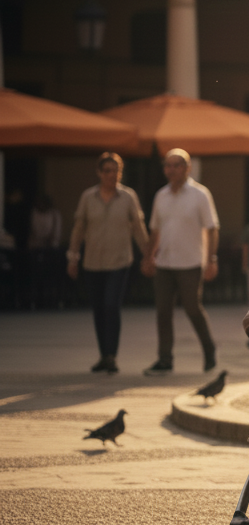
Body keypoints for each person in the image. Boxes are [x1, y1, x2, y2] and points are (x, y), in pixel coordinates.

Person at [67, 153, 149, 373]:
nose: (112, 175)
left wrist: (148, 254)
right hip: (92, 262)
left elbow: (138, 229)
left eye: (116, 171)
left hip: (119, 261)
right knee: (98, 310)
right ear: (99, 173)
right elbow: (78, 228)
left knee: (111, 306)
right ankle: (103, 355)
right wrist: (72, 256)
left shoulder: (128, 197)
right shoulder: (88, 197)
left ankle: (112, 356)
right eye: (107, 171)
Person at [141, 148, 219, 374]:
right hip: (165, 263)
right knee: (163, 312)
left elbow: (212, 228)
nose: (171, 169)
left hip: (191, 263)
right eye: (168, 165)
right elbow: (155, 230)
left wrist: (211, 259)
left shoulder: (200, 194)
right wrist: (148, 257)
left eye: (176, 165)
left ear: (187, 168)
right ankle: (165, 359)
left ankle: (209, 349)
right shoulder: (161, 196)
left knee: (193, 308)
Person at [27, 193, 63, 308]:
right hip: (35, 248)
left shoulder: (54, 214)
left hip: (51, 250)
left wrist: (49, 242)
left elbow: (56, 233)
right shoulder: (33, 213)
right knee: (35, 275)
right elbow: (32, 232)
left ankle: (52, 300)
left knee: (50, 275)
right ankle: (35, 299)